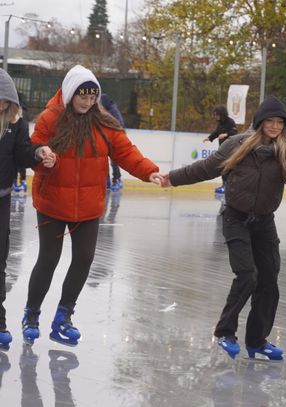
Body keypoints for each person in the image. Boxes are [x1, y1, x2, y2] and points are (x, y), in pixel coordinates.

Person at [163, 96, 286, 360]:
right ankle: (225, 332)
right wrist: (172, 178)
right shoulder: (237, 144)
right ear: (260, 121)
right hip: (236, 219)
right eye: (270, 121)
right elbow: (206, 168)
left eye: (281, 122)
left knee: (269, 282)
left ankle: (257, 341)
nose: (275, 126)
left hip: (265, 223)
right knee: (247, 276)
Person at [21, 65, 163, 347]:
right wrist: (42, 157)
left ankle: (63, 316)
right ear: (71, 93)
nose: (87, 102)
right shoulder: (51, 118)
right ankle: (31, 314)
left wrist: (149, 171)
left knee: (84, 258)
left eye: (92, 97)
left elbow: (126, 152)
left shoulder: (103, 122)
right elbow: (33, 148)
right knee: (49, 259)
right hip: (52, 202)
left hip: (88, 206)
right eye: (82, 97)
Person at [0, 69, 55, 351]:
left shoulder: (16, 124)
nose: (1, 105)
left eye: (5, 101)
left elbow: (22, 153)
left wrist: (37, 153)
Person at [202, 106, 238, 194]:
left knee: (227, 167)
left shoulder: (230, 122)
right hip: (222, 148)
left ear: (222, 114)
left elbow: (234, 132)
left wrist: (226, 135)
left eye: (217, 115)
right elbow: (216, 132)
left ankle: (228, 186)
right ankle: (224, 185)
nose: (215, 117)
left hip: (230, 149)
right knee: (222, 167)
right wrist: (210, 138)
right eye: (214, 115)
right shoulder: (220, 123)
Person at [100, 93, 125, 192]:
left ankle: (116, 179)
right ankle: (108, 181)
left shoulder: (111, 111)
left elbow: (119, 125)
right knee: (103, 158)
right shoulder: (107, 108)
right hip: (106, 133)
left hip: (113, 134)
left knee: (113, 159)